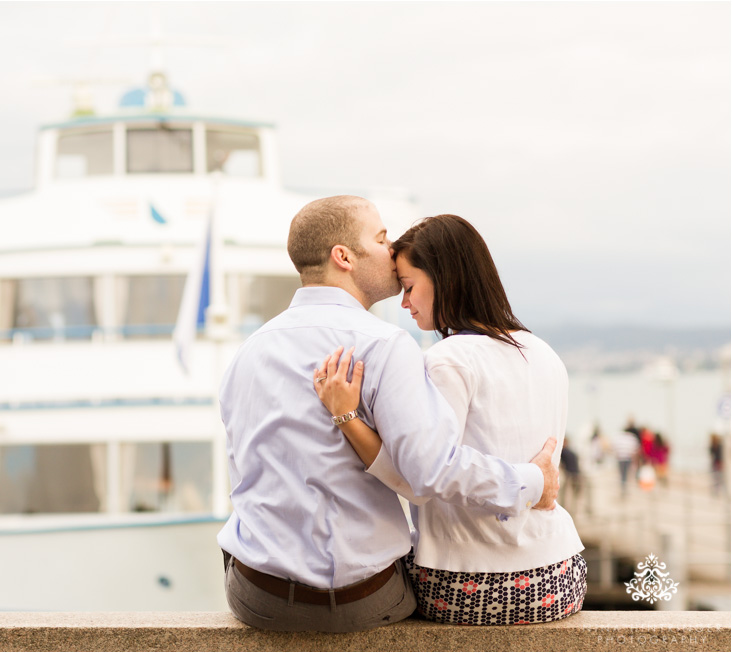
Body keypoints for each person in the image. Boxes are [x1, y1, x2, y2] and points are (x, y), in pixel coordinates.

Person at [217, 196, 560, 633]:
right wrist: (532, 481)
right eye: (381, 238)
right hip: (362, 600)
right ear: (343, 257)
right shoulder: (384, 345)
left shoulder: (247, 353)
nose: (392, 247)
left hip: (254, 595)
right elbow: (431, 470)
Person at [313, 213, 585, 626]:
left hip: (471, 583)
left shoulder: (448, 359)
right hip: (562, 574)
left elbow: (419, 479)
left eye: (408, 288)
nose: (404, 303)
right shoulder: (543, 352)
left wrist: (346, 416)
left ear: (446, 280)